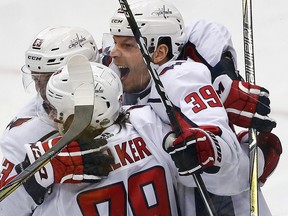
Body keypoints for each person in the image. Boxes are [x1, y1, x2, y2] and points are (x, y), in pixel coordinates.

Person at [108, 0, 282, 215]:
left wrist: (211, 150)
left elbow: (224, 158)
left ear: (160, 52)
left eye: (127, 45)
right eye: (114, 42)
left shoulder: (179, 79)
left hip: (214, 205)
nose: (113, 53)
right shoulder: (111, 72)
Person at [1, 59, 184, 215]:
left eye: (55, 109)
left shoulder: (55, 168)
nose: (52, 117)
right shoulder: (149, 122)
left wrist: (29, 179)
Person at [0, 26, 99, 211]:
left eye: (47, 80)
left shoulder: (119, 86)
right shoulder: (24, 137)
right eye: (36, 79)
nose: (39, 90)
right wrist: (29, 182)